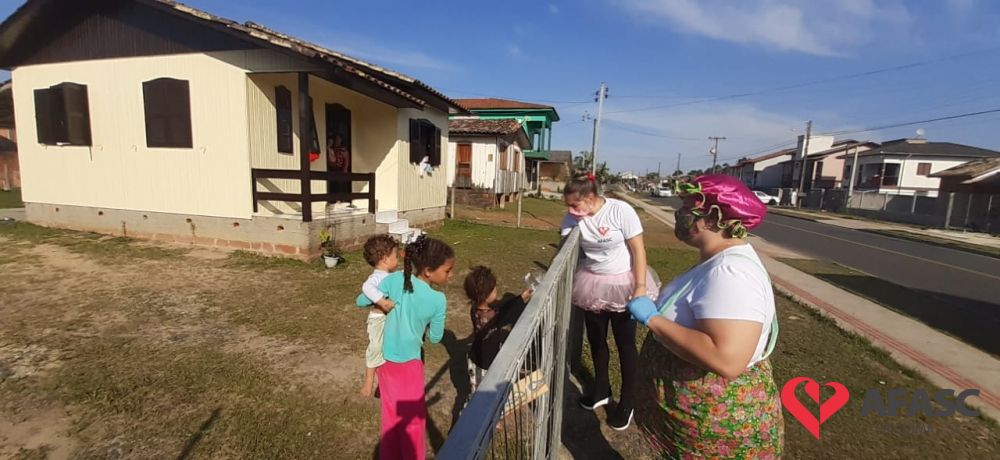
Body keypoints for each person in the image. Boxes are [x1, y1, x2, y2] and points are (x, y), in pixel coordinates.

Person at [627, 174, 783, 458]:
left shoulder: (732, 272)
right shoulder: (718, 260)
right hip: (695, 415)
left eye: (688, 208)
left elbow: (727, 359)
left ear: (714, 218)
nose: (679, 214)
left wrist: (653, 319)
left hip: (713, 423)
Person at [561, 172, 659, 431]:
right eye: (568, 206)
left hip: (623, 285)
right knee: (596, 340)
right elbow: (565, 246)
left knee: (625, 344)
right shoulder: (573, 217)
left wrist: (639, 287)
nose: (571, 210)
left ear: (591, 197)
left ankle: (628, 402)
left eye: (575, 205)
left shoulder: (620, 211)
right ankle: (601, 390)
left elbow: (638, 250)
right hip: (592, 285)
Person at [376, 235, 455, 460]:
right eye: (448, 270)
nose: (451, 275)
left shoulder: (395, 279)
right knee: (413, 423)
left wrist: (381, 305)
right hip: (410, 365)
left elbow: (363, 299)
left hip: (385, 361)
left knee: (390, 417)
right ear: (428, 271)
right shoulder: (438, 299)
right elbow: (435, 338)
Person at [464, 266, 533, 390]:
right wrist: (520, 302)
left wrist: (521, 297)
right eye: (493, 288)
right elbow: (506, 314)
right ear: (485, 296)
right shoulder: (490, 317)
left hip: (479, 355)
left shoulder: (477, 308)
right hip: (485, 363)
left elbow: (502, 307)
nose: (496, 289)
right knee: (485, 390)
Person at [354, 234, 400, 397]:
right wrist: (382, 301)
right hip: (378, 319)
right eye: (396, 256)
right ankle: (368, 381)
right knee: (375, 348)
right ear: (385, 259)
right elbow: (366, 288)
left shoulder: (392, 276)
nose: (398, 259)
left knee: (388, 350)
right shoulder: (377, 276)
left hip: (390, 319)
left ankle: (384, 381)